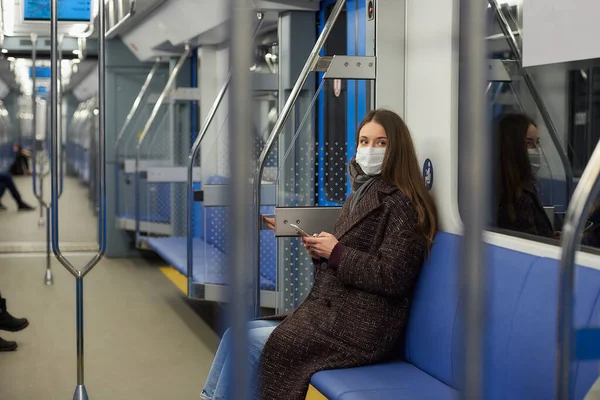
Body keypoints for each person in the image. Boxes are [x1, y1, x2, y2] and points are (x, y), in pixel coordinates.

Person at [201, 109, 438, 400]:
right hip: (336, 315)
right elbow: (348, 253)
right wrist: (323, 252)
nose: (369, 150)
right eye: (363, 141)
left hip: (362, 328)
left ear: (396, 149)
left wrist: (336, 252)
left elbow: (392, 276)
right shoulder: (360, 193)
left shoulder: (403, 204)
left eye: (381, 143)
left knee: (247, 343)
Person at [495, 113, 555, 239]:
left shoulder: (525, 186)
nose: (536, 149)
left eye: (536, 142)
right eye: (529, 143)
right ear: (514, 147)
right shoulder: (514, 196)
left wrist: (552, 237)